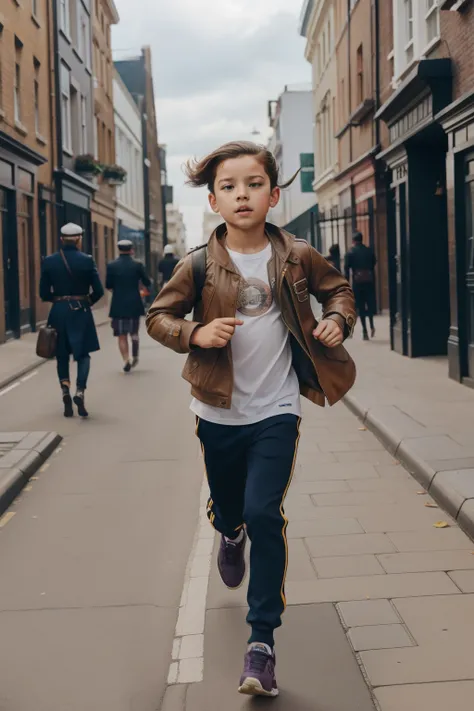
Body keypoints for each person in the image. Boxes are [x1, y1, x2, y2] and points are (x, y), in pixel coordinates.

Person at [146, 141, 356, 698]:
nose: (243, 194)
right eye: (231, 187)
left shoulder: (298, 255)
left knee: (267, 512)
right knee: (232, 506)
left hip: (276, 408)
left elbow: (339, 290)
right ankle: (227, 529)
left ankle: (261, 643)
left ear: (274, 194)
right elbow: (157, 316)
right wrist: (194, 332)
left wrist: (337, 318)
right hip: (216, 409)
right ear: (214, 201)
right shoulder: (195, 263)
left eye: (254, 184)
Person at [39, 223, 104, 418]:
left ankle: (65, 389)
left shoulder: (49, 261)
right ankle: (80, 391)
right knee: (83, 354)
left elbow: (43, 293)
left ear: (61, 239)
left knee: (61, 354)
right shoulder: (87, 261)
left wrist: (59, 301)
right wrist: (86, 302)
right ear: (79, 239)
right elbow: (99, 291)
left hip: (58, 312)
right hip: (81, 311)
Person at [106, 239, 151, 372]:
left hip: (118, 303)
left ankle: (126, 359)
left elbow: (108, 285)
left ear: (119, 250)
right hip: (134, 303)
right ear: (131, 250)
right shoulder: (137, 265)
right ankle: (135, 355)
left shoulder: (112, 266)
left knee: (121, 335)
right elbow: (147, 282)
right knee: (134, 332)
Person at [344, 231, 377, 341]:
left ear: (353, 241)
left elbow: (346, 269)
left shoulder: (350, 253)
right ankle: (372, 325)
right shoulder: (369, 251)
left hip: (357, 283)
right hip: (369, 281)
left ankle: (365, 332)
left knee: (361, 307)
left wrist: (347, 284)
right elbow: (373, 263)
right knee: (370, 304)